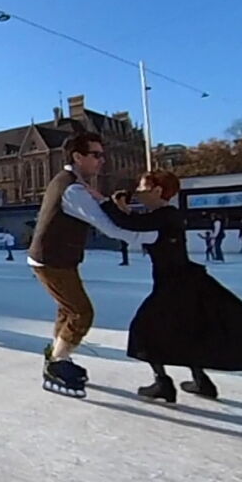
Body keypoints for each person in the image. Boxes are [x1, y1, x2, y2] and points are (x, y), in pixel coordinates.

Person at [101, 170, 242, 402]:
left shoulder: (165, 215)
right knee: (186, 330)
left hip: (174, 284)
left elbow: (130, 223)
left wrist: (109, 205)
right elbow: (137, 224)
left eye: (142, 188)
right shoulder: (165, 215)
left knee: (144, 330)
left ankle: (163, 383)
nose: (137, 192)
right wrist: (121, 209)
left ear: (157, 191)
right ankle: (200, 380)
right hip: (184, 281)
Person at [28, 133, 157, 398]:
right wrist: (153, 236)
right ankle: (57, 363)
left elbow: (102, 209)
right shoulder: (73, 190)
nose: (102, 160)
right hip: (51, 260)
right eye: (96, 155)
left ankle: (58, 357)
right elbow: (108, 227)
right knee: (81, 313)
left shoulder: (72, 183)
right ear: (78, 157)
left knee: (68, 309)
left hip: (57, 258)